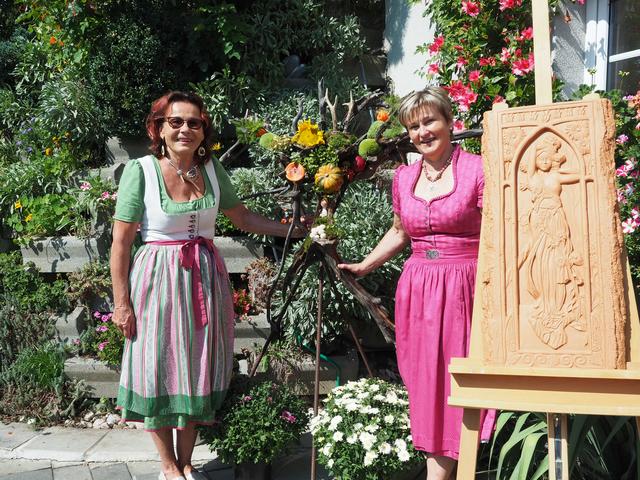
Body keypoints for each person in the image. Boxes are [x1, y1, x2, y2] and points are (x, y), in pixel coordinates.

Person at [110, 91, 304, 480]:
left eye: (194, 123)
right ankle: (168, 467)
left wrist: (295, 229)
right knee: (159, 365)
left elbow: (245, 219)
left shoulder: (212, 169)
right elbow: (121, 242)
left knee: (196, 364)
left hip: (203, 278)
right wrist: (122, 303)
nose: (185, 129)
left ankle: (186, 461)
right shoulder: (142, 171)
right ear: (159, 128)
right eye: (176, 121)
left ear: (204, 131)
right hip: (157, 281)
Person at [338, 87, 494, 479]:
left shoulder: (478, 169)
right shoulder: (405, 177)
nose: (423, 131)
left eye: (429, 121)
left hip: (466, 287)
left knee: (461, 378)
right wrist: (365, 265)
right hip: (419, 288)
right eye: (414, 126)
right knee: (426, 382)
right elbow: (399, 231)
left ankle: (461, 468)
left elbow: (500, 231)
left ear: (449, 122)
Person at [519, 136, 585, 349]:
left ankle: (557, 310)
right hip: (539, 223)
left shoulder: (556, 175)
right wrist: (536, 150)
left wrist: (573, 167)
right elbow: (530, 163)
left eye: (549, 157)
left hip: (556, 222)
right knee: (540, 266)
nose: (545, 161)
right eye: (541, 157)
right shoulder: (533, 178)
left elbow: (579, 175)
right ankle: (546, 308)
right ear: (535, 159)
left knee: (558, 266)